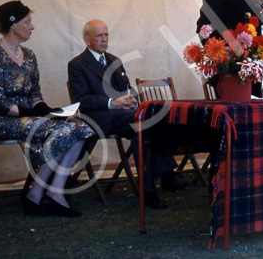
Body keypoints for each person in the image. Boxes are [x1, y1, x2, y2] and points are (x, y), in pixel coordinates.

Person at [0, 0, 96, 217]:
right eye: (28, 22)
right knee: (60, 130)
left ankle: (54, 192)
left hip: (26, 118)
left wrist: (47, 109)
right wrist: (32, 113)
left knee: (81, 128)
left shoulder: (29, 55)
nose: (32, 27)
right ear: (12, 24)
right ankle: (38, 194)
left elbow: (34, 94)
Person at [67, 20, 184, 210]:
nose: (104, 39)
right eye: (99, 36)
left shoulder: (114, 61)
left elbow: (127, 88)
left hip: (124, 115)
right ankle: (165, 177)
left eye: (106, 35)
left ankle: (151, 189)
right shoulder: (77, 65)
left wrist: (133, 100)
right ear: (86, 40)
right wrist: (112, 103)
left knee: (146, 127)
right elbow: (80, 101)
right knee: (145, 122)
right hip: (99, 118)